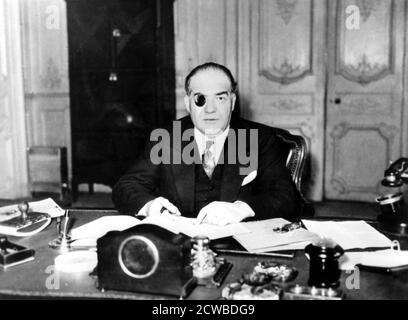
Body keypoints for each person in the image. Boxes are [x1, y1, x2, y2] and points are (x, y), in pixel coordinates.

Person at [112, 62, 302, 225]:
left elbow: (286, 196)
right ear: (188, 104)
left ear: (233, 102)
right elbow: (127, 186)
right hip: (181, 242)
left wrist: (243, 208)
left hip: (238, 243)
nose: (210, 109)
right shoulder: (167, 137)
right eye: (200, 99)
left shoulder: (259, 138)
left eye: (220, 98)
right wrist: (150, 206)